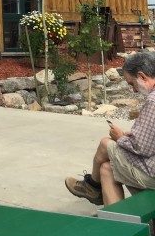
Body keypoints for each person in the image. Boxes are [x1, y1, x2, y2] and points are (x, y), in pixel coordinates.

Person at [65, 51, 155, 206]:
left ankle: (92, 186)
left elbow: (142, 147)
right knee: (106, 169)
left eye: (131, 83)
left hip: (151, 173)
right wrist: (130, 136)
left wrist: (120, 137)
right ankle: (117, 220)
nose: (133, 90)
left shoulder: (153, 101)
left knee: (105, 143)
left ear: (142, 76)